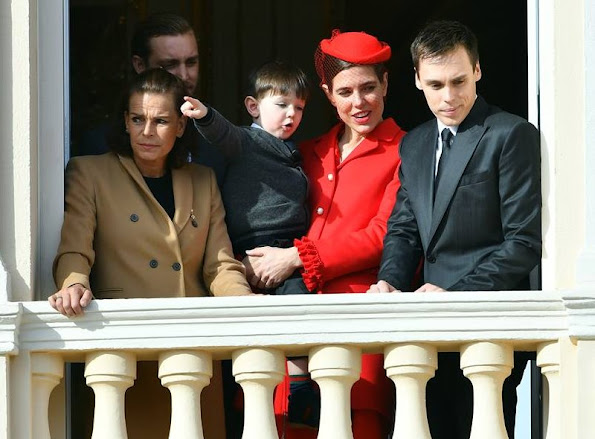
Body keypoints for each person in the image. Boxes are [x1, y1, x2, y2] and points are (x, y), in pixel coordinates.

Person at [50, 68, 251, 438]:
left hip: (192, 353)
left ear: (179, 126)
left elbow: (220, 267)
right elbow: (74, 249)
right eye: (137, 119)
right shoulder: (89, 172)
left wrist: (246, 305)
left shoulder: (202, 180)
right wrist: (73, 283)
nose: (147, 131)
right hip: (125, 350)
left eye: (160, 121)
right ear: (125, 122)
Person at [368, 20, 541, 439]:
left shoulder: (511, 134)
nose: (449, 96)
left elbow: (523, 241)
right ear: (416, 80)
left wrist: (456, 294)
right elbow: (404, 228)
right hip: (425, 329)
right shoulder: (415, 143)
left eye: (459, 80)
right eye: (436, 84)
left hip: (486, 323)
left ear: (478, 70)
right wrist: (389, 279)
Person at [244, 30, 406, 439]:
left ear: (386, 85)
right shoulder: (306, 150)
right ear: (328, 94)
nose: (358, 102)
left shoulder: (406, 149)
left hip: (358, 327)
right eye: (345, 91)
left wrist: (298, 257)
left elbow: (385, 233)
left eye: (369, 88)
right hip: (288, 328)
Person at [180, 60, 310, 295]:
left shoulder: (293, 149)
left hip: (290, 248)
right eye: (282, 104)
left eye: (299, 107)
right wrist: (205, 115)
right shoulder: (246, 141)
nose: (292, 113)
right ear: (253, 107)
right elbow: (224, 133)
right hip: (255, 245)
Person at [78, 12, 227, 184]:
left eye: (191, 62)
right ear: (140, 65)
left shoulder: (217, 139)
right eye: (170, 65)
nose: (184, 75)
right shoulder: (100, 146)